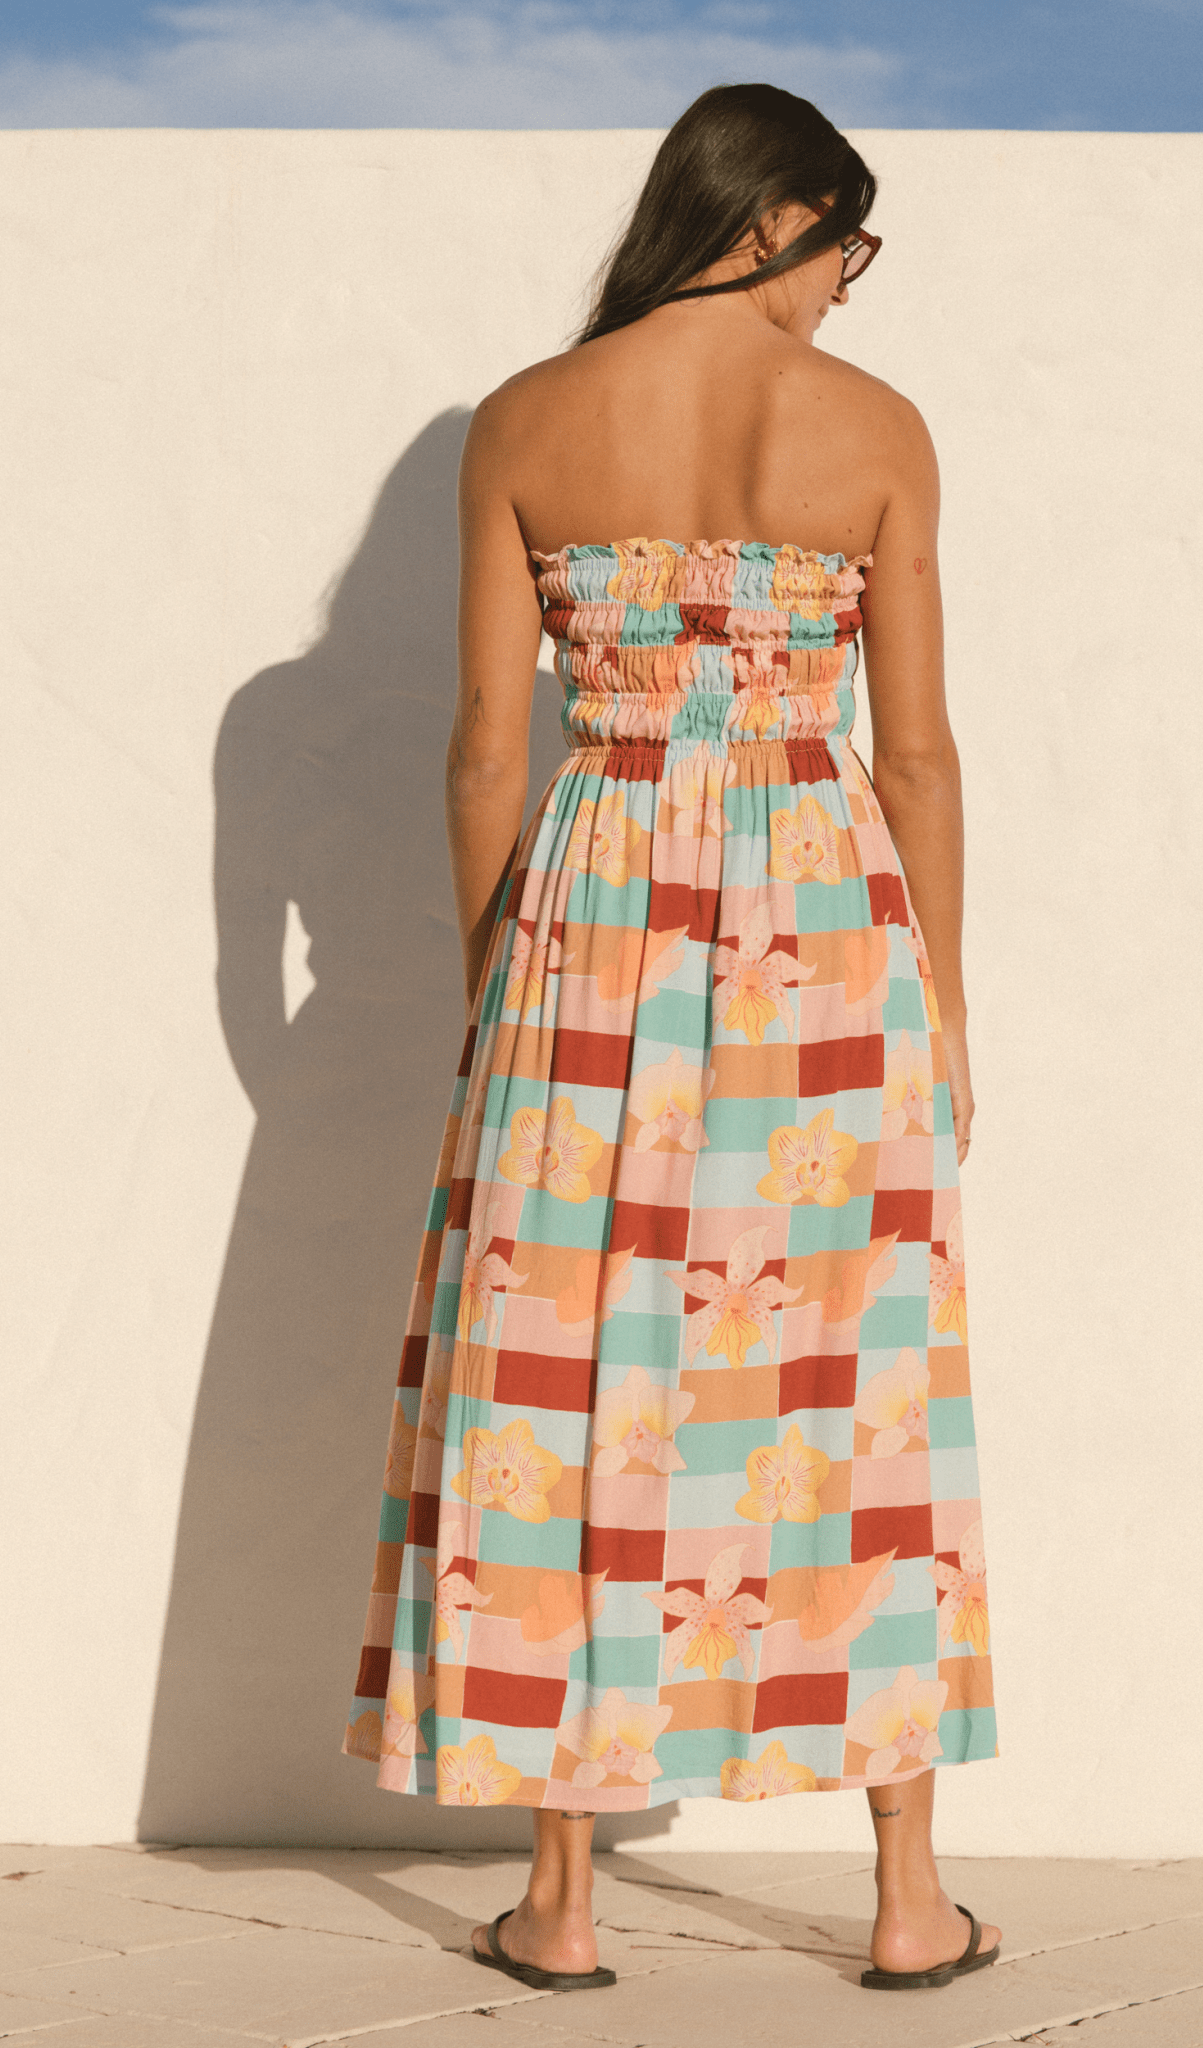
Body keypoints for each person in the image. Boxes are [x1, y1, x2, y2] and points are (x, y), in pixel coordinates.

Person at [342, 81, 1000, 1995]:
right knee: (854, 1385)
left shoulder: (529, 422)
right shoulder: (873, 435)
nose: (848, 293)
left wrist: (504, 990)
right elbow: (922, 755)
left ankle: (557, 1902)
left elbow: (484, 749)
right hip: (826, 930)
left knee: (569, 1385)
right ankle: (902, 1900)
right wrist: (941, 1004)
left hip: (592, 929)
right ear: (781, 214)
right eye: (847, 250)